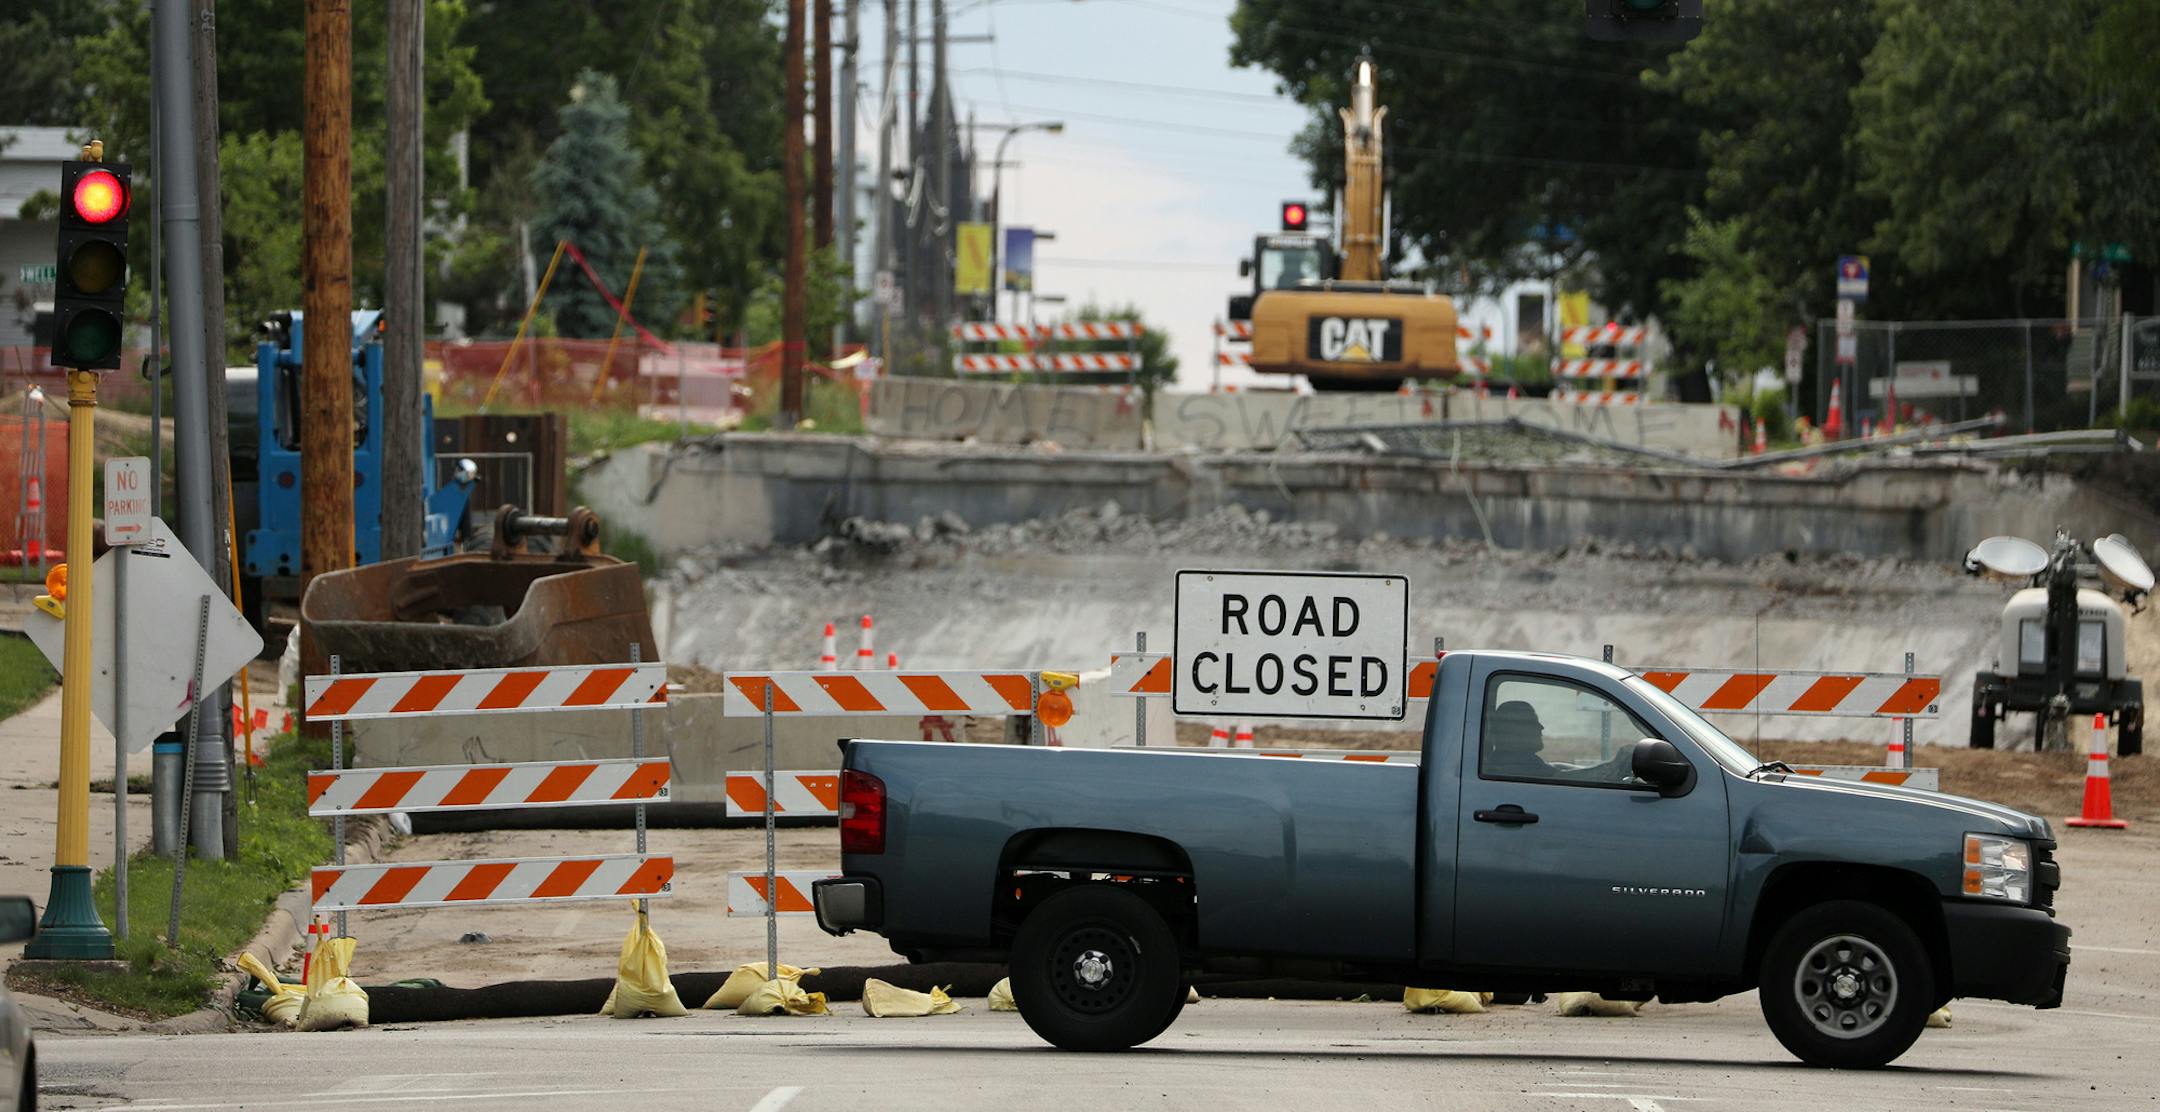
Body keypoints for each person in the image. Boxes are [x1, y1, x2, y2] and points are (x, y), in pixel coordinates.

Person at [1483, 700, 1559, 780]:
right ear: (1514, 731)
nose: (1541, 727)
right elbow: (1559, 776)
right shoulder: (1523, 767)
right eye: (1533, 722)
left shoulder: (1506, 762)